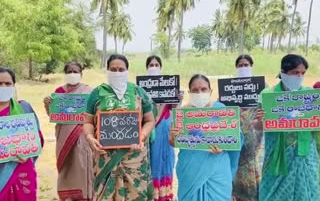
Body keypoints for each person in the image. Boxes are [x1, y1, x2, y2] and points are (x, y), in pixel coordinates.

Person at [83, 54, 155, 201]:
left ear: (127, 71)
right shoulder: (96, 94)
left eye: (121, 69)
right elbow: (88, 122)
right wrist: (90, 138)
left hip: (134, 158)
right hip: (105, 158)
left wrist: (141, 137)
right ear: (107, 70)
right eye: (113, 69)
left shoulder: (138, 92)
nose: (117, 72)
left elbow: (149, 120)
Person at [169, 74, 243, 201]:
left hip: (217, 170)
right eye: (195, 90)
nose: (199, 92)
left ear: (210, 91)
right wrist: (172, 136)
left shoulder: (221, 110)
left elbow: (237, 138)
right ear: (189, 92)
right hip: (190, 170)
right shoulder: (182, 113)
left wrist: (223, 147)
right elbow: (173, 142)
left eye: (203, 89)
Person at [257, 54, 319, 201]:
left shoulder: (309, 95)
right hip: (277, 155)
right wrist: (261, 120)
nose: (299, 76)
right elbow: (258, 126)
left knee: (307, 191)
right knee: (274, 193)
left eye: (302, 73)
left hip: (305, 155)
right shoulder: (268, 95)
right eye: (295, 72)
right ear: (284, 72)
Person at [43, 61, 94, 201]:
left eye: (75, 71)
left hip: (83, 138)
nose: (73, 74)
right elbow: (54, 115)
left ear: (81, 74)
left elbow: (94, 114)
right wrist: (47, 104)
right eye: (69, 71)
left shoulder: (89, 91)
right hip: (64, 139)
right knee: (67, 167)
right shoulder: (59, 92)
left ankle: (85, 195)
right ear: (65, 74)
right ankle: (68, 196)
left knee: (82, 167)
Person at [0, 67, 44, 201]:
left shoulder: (24, 108)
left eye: (7, 84)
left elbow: (38, 139)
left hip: (22, 171)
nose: (3, 87)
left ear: (14, 86)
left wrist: (27, 153)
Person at [146, 55, 182, 201]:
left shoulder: (168, 85)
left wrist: (177, 98)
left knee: (165, 159)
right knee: (151, 159)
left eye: (156, 65)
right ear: (147, 68)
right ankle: (151, 194)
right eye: (151, 65)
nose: (153, 67)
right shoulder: (142, 87)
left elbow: (175, 108)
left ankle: (164, 195)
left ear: (160, 68)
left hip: (165, 126)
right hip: (149, 128)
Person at [232, 55, 264, 201]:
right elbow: (223, 110)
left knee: (255, 162)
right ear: (236, 68)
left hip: (255, 133)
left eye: (246, 64)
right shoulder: (229, 87)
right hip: (237, 132)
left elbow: (267, 108)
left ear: (251, 66)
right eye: (240, 65)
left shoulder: (262, 87)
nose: (243, 67)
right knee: (238, 165)